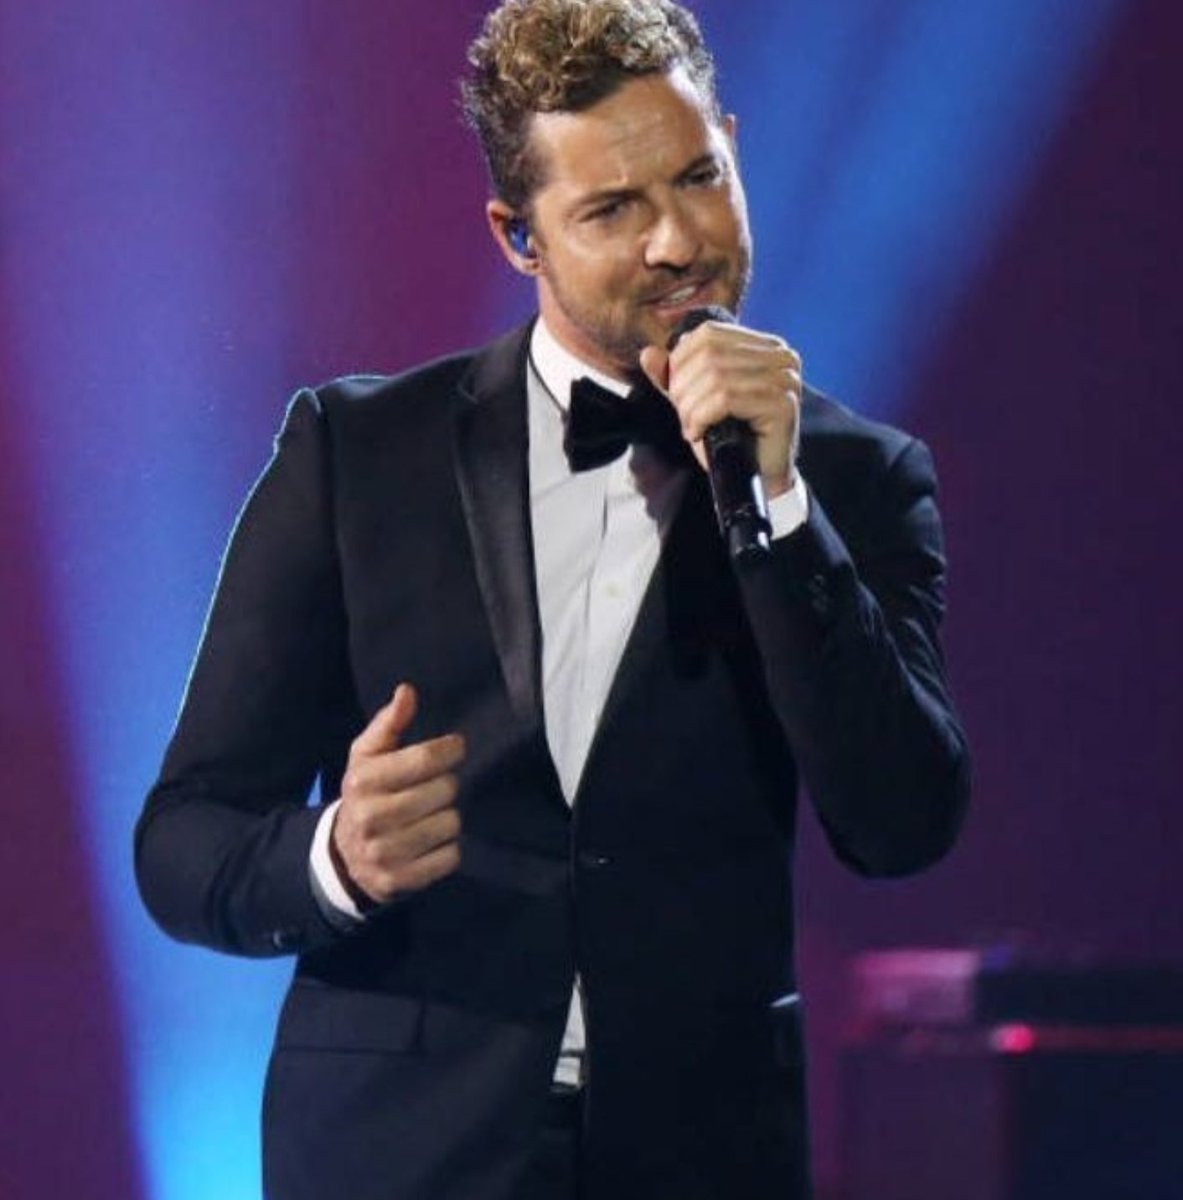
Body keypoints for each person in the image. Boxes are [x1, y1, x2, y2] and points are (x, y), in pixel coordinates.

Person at [135, 2, 970, 1197]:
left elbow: (901, 821)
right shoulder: (355, 454)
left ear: (733, 146)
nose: (677, 241)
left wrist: (782, 512)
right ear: (518, 236)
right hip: (399, 1152)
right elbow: (183, 839)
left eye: (699, 177)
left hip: (701, 1154)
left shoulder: (856, 479)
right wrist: (335, 857)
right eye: (612, 209)